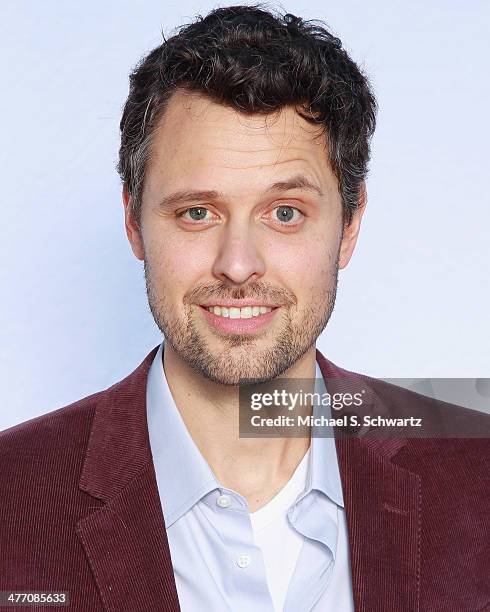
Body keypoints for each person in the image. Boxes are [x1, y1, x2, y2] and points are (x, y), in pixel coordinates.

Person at [1, 5, 488, 611]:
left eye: (285, 213)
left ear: (350, 224)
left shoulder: (477, 476)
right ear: (133, 221)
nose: (237, 265)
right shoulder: (10, 499)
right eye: (196, 212)